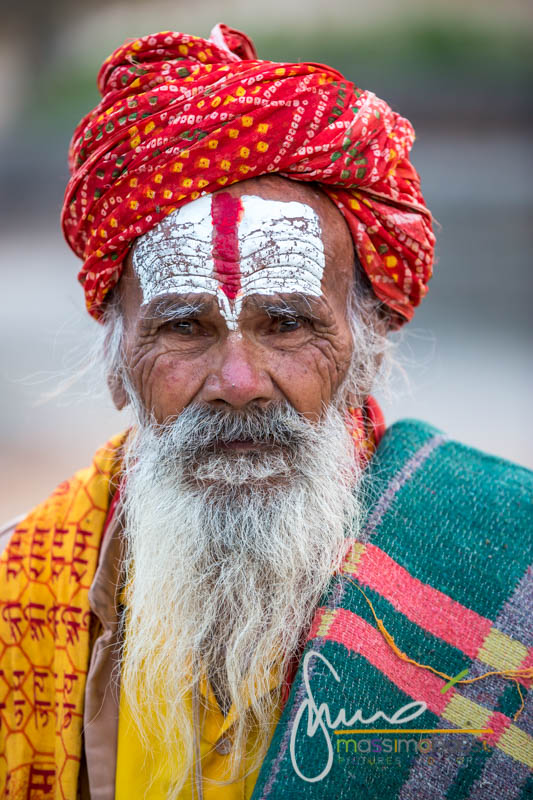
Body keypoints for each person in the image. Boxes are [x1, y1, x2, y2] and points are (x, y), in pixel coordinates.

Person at [1, 24, 531, 800]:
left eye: (286, 324)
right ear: (119, 367)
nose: (240, 381)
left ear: (367, 354)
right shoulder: (24, 595)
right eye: (183, 327)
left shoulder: (509, 565)